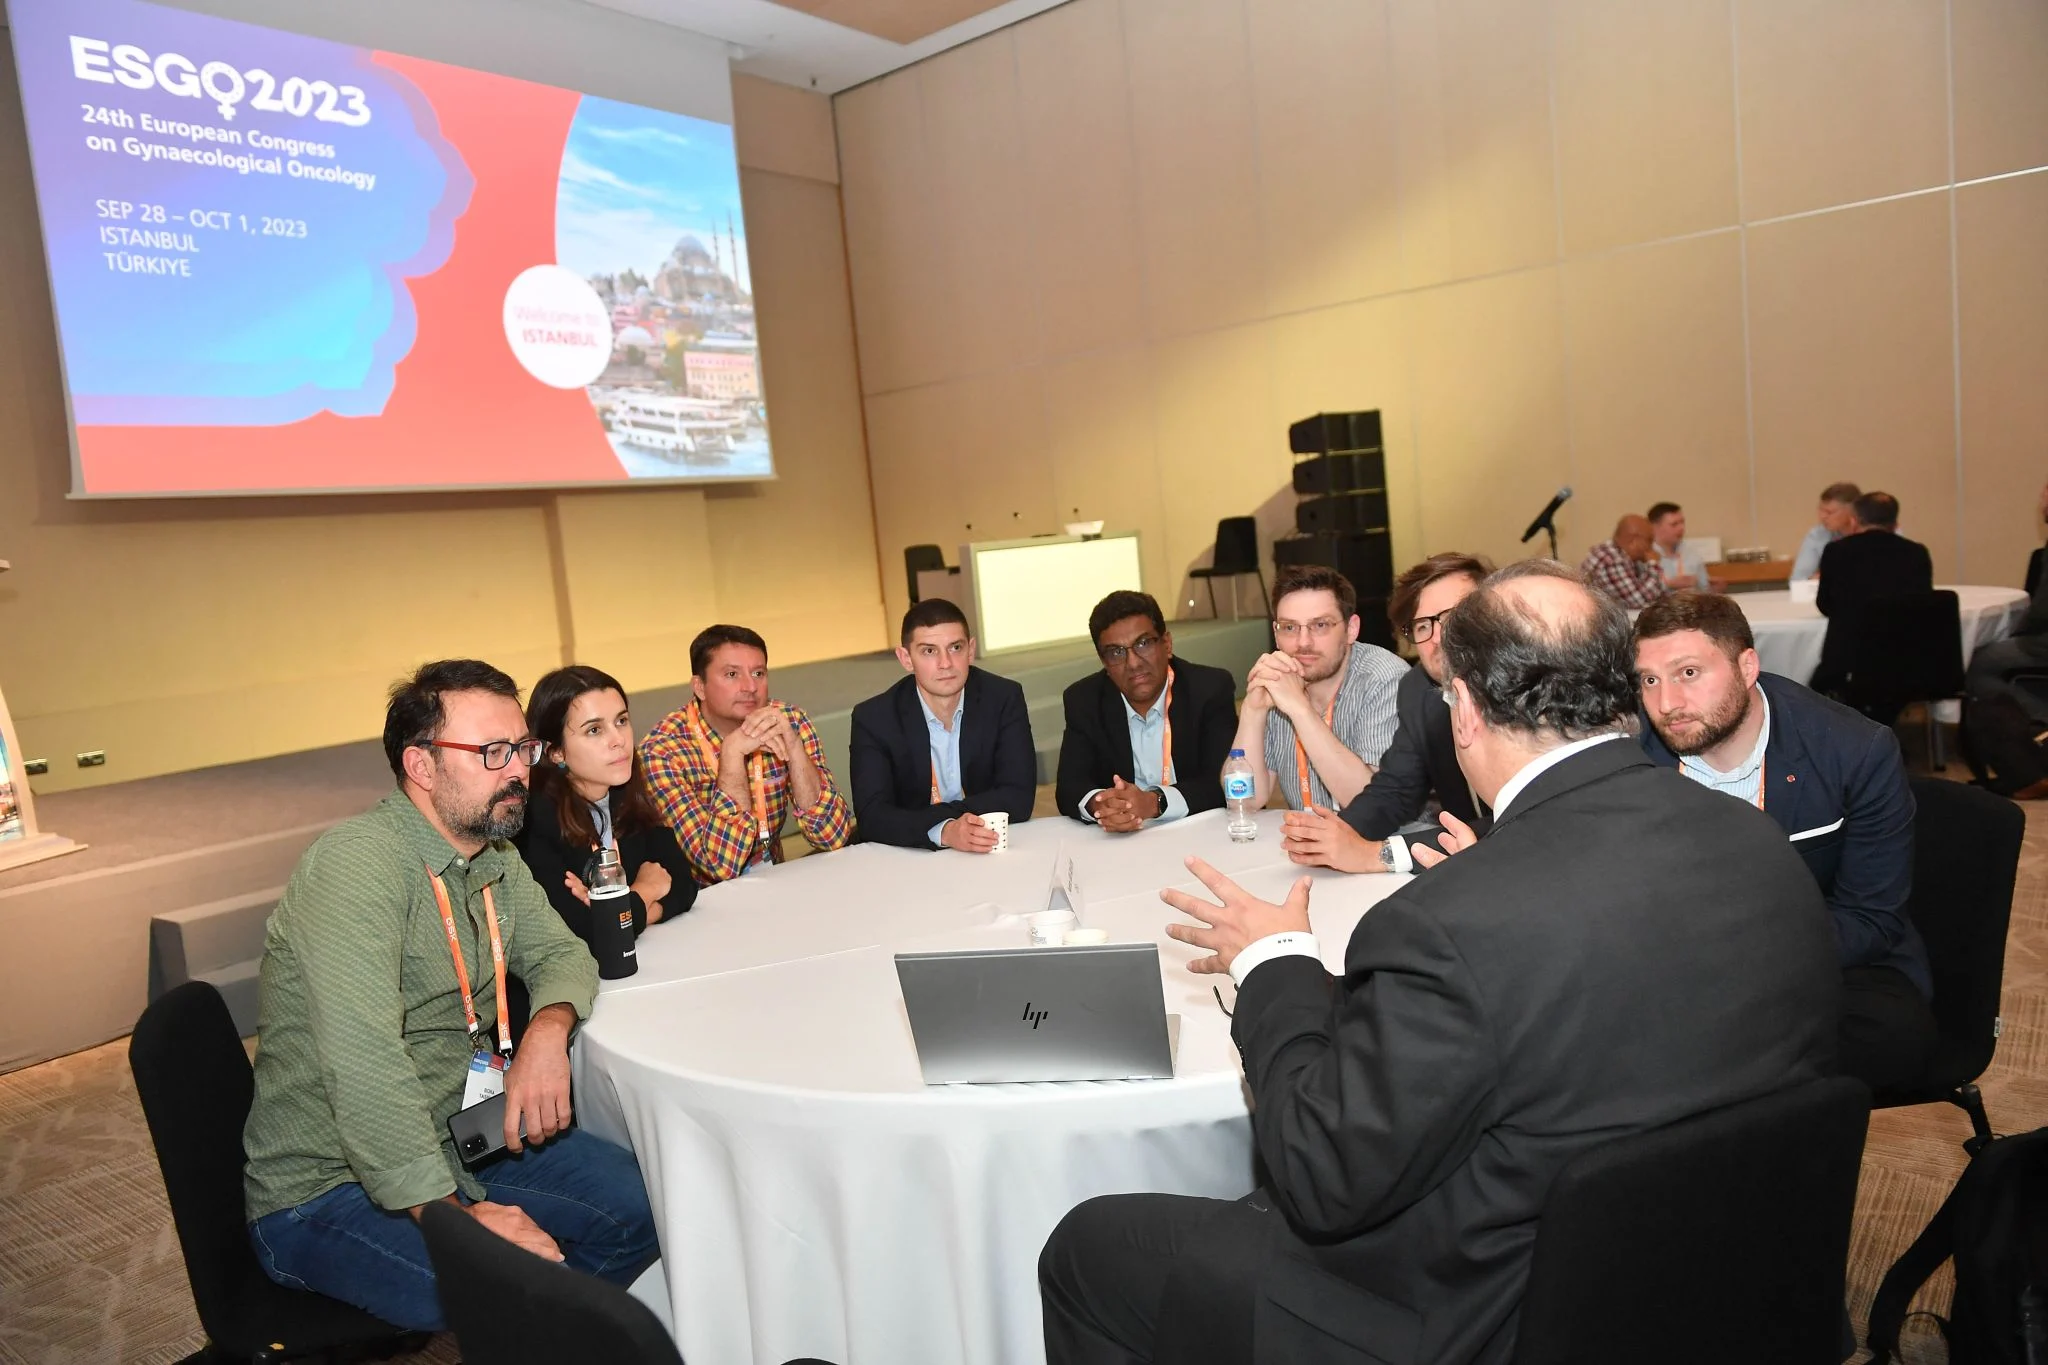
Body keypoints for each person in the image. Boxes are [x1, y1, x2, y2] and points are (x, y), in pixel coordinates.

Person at [1037, 563, 1839, 1365]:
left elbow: (1319, 1173)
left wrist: (1275, 963)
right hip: (1730, 1288)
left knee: (1086, 1245)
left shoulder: (1451, 921)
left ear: (1466, 711)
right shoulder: (1761, 845)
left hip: (1488, 1314)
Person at [242, 660, 659, 1332]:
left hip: (460, 1134)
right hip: (329, 1185)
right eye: (493, 752)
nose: (518, 771)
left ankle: (559, 1332)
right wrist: (455, 1220)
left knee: (644, 1207)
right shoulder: (357, 868)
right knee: (523, 1295)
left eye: (522, 748)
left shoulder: (492, 855)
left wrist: (546, 1033)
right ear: (422, 765)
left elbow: (563, 954)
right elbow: (365, 1066)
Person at [1635, 590, 1937, 1092]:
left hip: (1818, 950)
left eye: (1688, 672)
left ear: (1747, 667)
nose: (1667, 704)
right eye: (1649, 680)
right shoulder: (1629, 753)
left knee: (1892, 1037)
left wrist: (1740, 960)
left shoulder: (1854, 750)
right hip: (1678, 960)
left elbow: (1871, 917)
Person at [1279, 552, 1493, 875]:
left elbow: (1520, 820)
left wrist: (1377, 855)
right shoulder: (1419, 690)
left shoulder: (1530, 690)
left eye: (1453, 617)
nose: (1438, 637)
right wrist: (1337, 836)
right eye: (1423, 626)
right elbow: (1395, 791)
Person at [641, 625, 854, 885]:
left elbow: (833, 835)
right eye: (732, 674)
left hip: (773, 885)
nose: (751, 686)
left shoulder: (788, 721)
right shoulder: (662, 752)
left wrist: (794, 747)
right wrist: (731, 754)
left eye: (758, 673)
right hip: (700, 897)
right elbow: (719, 865)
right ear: (699, 687)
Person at [515, 665, 696, 949]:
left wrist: (621, 914)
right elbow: (584, 933)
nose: (618, 740)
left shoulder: (625, 795)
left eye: (621, 721)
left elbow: (684, 884)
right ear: (556, 752)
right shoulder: (534, 822)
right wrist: (645, 890)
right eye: (595, 730)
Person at [849, 598, 1037, 851]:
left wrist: (935, 818)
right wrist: (945, 830)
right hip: (907, 856)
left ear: (970, 650)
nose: (946, 663)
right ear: (906, 658)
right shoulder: (875, 719)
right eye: (929, 651)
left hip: (985, 849)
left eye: (955, 648)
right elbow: (873, 817)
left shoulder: (1003, 698)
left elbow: (1019, 798)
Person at [1229, 565, 1408, 811]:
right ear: (1276, 634)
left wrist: (1300, 710)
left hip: (1393, 834)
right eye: (1289, 627)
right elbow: (1245, 802)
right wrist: (1253, 711)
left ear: (1351, 629)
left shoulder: (1384, 679)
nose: (1303, 642)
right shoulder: (1277, 680)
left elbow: (1373, 806)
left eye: (1320, 625)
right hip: (1307, 833)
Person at [1055, 590, 1237, 829]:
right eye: (1116, 652)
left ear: (1167, 644)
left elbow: (1225, 783)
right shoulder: (1084, 700)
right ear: (1104, 662)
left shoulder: (1209, 689)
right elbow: (1070, 787)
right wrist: (1102, 805)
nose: (1133, 663)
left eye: (1143, 643)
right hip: (1124, 840)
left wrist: (1154, 802)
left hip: (1201, 831)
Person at [1813, 491, 1935, 694]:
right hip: (1909, 660)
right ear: (1895, 523)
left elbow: (1825, 604)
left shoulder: (1837, 551)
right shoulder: (1916, 552)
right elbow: (1922, 605)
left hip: (1849, 662)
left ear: (1854, 521)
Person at [1578, 513, 1667, 608]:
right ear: (1634, 541)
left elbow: (1658, 594)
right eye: (1649, 540)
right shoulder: (1611, 559)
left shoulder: (1626, 557)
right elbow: (1637, 601)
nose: (1651, 547)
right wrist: (1653, 564)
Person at [1791, 481, 1863, 582]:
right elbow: (1798, 580)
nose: (1822, 517)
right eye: (1821, 510)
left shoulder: (1873, 533)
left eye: (1830, 512)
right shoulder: (1817, 535)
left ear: (1852, 511)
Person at [1647, 501, 1713, 591]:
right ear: (1654, 527)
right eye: (1674, 524)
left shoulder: (1691, 553)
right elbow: (1639, 594)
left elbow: (1705, 589)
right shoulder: (1645, 556)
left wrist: (1715, 589)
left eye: (1682, 522)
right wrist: (1668, 584)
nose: (1681, 528)